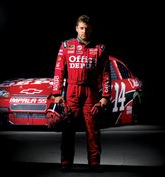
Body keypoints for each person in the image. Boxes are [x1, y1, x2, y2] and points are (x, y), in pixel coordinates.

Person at [52, 14, 111, 172]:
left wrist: (105, 96)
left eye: (87, 28)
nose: (84, 31)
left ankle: (94, 163)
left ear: (91, 28)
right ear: (76, 28)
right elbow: (59, 71)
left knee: (92, 128)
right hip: (72, 91)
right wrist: (57, 93)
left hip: (91, 91)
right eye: (81, 28)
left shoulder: (100, 48)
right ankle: (66, 161)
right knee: (68, 126)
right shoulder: (66, 46)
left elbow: (106, 74)